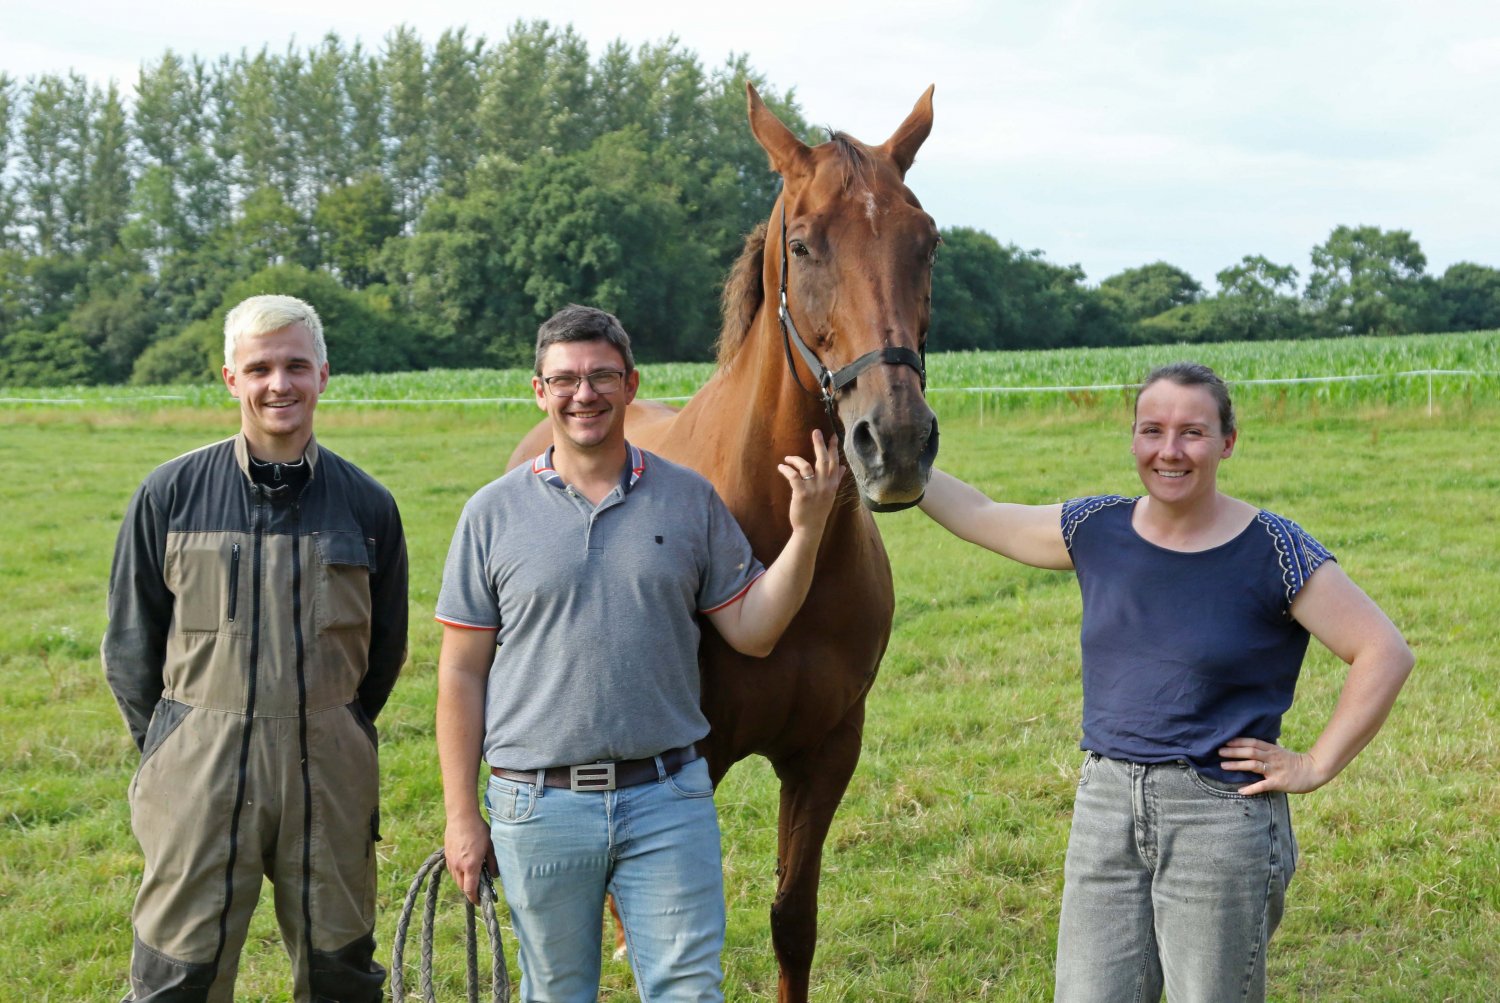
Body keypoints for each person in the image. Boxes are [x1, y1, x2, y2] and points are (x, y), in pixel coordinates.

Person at [918, 361, 1413, 1003]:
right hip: (1105, 804)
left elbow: (1383, 652)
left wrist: (1315, 764)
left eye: (1192, 433)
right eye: (1152, 430)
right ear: (1133, 439)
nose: (1169, 451)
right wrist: (888, 454)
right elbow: (982, 513)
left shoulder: (1275, 549)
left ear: (1227, 442)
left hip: (1218, 817)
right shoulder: (1096, 528)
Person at [435, 304, 841, 1002]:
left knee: (689, 990)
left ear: (631, 384)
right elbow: (461, 672)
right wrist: (461, 814)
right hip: (538, 802)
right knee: (556, 991)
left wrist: (806, 532)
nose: (583, 393)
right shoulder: (491, 514)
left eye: (601, 376)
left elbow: (753, 629)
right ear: (539, 391)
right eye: (564, 379)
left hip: (666, 797)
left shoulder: (689, 500)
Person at [102, 295, 409, 1002]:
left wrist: (338, 725)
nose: (280, 384)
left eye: (296, 365)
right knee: (178, 974)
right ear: (230, 378)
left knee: (339, 970)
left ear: (323, 374)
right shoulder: (170, 495)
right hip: (198, 769)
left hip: (329, 770)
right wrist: (178, 741)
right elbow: (130, 648)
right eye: (260, 368)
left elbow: (385, 648)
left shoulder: (367, 504)